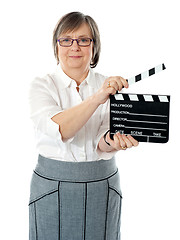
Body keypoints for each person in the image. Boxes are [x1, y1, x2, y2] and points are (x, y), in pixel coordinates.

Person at [28, 11, 139, 240]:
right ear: (57, 46)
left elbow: (103, 139)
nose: (74, 46)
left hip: (103, 184)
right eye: (66, 40)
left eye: (83, 40)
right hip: (52, 187)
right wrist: (98, 98)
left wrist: (112, 140)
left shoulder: (107, 85)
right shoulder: (41, 86)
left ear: (94, 47)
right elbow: (61, 129)